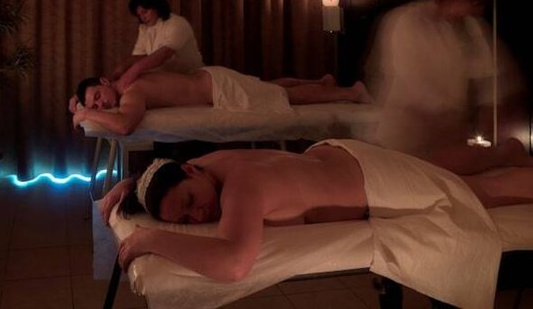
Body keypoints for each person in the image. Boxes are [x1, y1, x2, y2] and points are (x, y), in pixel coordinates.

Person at [100, 139, 533, 284]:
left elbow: (233, 264)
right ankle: (505, 150)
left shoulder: (241, 186)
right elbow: (165, 178)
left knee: (474, 193)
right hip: (347, 156)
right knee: (429, 162)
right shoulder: (211, 165)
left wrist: (153, 238)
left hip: (373, 187)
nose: (198, 216)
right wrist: (128, 186)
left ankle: (512, 168)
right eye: (185, 220)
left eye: (190, 203)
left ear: (191, 171)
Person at [366, 0, 521, 157]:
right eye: (474, 1)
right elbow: (418, 93)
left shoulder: (473, 28)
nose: (479, 10)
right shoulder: (406, 22)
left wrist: (487, 123)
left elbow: (493, 82)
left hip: (450, 143)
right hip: (404, 141)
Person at [72, 66, 372, 135]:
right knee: (269, 88)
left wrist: (85, 114)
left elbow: (124, 125)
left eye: (98, 97)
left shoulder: (132, 93)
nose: (101, 105)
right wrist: (81, 104)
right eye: (95, 105)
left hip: (219, 90)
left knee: (283, 98)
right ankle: (321, 83)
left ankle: (352, 93)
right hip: (213, 79)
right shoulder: (124, 79)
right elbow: (103, 101)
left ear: (104, 82)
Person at [68, 0, 203, 114]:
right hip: (165, 79)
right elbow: (138, 57)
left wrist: (130, 75)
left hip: (190, 76)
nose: (142, 17)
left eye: (145, 11)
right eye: (139, 15)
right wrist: (81, 95)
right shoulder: (145, 29)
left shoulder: (176, 23)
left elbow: (163, 55)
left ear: (156, 6)